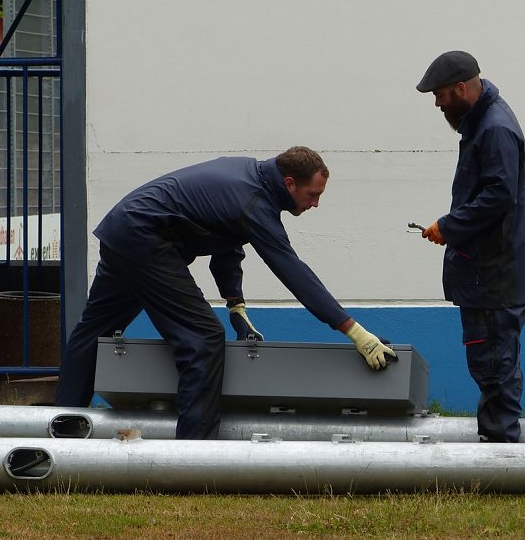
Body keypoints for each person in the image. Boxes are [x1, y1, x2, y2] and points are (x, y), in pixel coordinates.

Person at [54, 146, 397, 439]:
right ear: (290, 183)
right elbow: (293, 272)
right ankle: (194, 457)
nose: (315, 204)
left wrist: (236, 305)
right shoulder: (255, 201)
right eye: (313, 195)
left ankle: (61, 430)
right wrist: (352, 330)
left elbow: (226, 245)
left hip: (122, 231)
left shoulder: (249, 176)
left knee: (91, 335)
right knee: (202, 338)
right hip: (146, 240)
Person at [415, 51, 525, 443]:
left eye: (439, 95)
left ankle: (501, 453)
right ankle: (497, 442)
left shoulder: (494, 129)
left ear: (460, 88)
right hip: (493, 273)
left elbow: (498, 196)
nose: (437, 104)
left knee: (494, 365)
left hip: (495, 276)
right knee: (495, 362)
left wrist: (449, 227)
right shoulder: (485, 123)